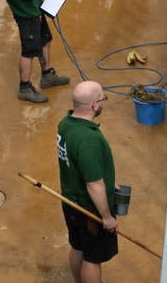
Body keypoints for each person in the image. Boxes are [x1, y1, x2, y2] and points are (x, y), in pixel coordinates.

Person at [57, 80, 118, 283]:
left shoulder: (65, 124)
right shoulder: (88, 140)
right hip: (89, 211)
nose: (103, 103)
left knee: (78, 247)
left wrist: (110, 184)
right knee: (93, 258)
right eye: (103, 99)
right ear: (94, 106)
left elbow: (76, 166)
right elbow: (94, 184)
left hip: (70, 202)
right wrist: (107, 217)